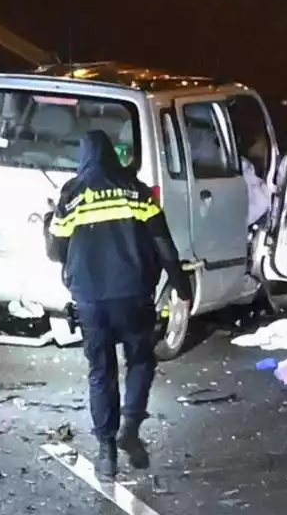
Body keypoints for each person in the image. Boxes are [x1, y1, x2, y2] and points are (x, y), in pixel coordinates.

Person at [47, 130, 193, 478]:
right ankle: (131, 424)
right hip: (134, 294)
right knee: (141, 361)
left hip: (90, 299)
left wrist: (48, 222)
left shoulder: (72, 195)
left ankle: (106, 450)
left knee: (101, 371)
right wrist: (181, 286)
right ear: (112, 155)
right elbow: (163, 243)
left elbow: (56, 252)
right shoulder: (136, 191)